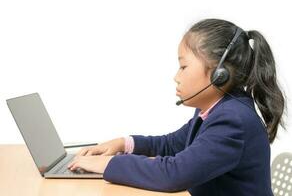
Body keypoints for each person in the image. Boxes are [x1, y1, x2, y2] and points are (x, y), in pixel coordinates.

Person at [67, 18, 285, 195]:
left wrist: (106, 164)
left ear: (220, 73)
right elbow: (173, 145)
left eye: (183, 66)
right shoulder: (216, 110)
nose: (176, 77)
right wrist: (123, 144)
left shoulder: (233, 120)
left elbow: (174, 174)